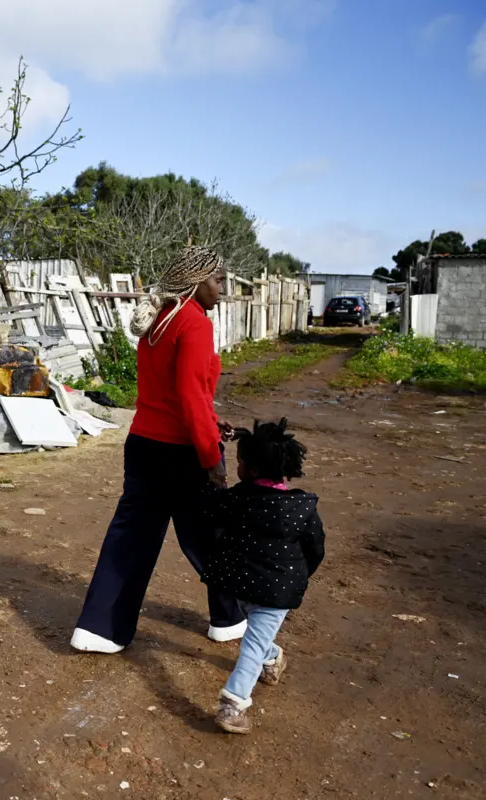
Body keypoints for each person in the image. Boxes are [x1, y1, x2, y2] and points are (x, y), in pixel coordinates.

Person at [71, 245, 247, 654]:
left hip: (144, 446)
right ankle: (230, 619)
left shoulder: (159, 320)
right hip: (184, 451)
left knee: (130, 539)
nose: (222, 289)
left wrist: (211, 415)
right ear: (196, 282)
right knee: (212, 537)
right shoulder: (195, 324)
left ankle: (100, 629)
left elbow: (177, 392)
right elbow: (187, 395)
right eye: (218, 281)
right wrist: (211, 458)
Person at [203, 418, 325, 734]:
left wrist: (212, 479)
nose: (237, 465)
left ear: (253, 470)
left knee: (252, 644)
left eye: (240, 461)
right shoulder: (301, 508)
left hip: (245, 586)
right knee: (258, 639)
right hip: (271, 588)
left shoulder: (236, 500)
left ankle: (233, 704)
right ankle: (274, 658)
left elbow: (210, 513)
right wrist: (299, 575)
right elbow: (315, 548)